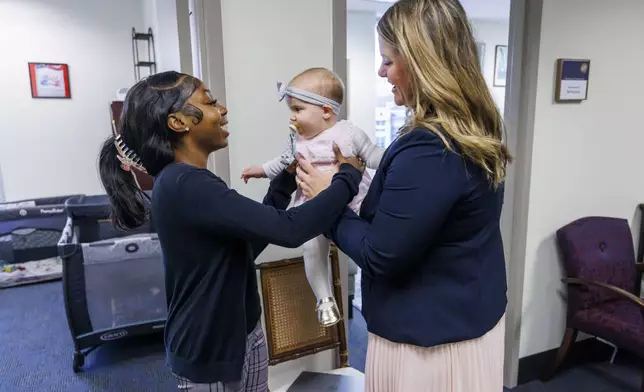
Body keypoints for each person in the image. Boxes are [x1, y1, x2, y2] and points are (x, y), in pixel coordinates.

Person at [98, 71, 363, 392]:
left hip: (242, 336)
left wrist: (283, 181)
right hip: (208, 349)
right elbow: (291, 231)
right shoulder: (186, 185)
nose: (222, 110)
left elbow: (245, 247)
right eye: (209, 102)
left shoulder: (189, 181)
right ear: (179, 122)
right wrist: (347, 177)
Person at [296, 0, 512, 391]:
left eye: (389, 61)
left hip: (429, 346)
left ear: (422, 61)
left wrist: (329, 199)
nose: (381, 72)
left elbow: (381, 255)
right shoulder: (477, 126)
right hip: (467, 316)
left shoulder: (431, 148)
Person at [241, 67, 384, 327]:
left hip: (357, 200)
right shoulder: (296, 141)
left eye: (297, 109)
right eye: (291, 110)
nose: (292, 117)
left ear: (326, 111)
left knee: (374, 242)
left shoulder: (347, 133)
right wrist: (260, 170)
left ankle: (380, 287)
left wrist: (395, 157)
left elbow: (373, 155)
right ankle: (325, 298)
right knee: (311, 245)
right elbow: (281, 164)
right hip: (315, 206)